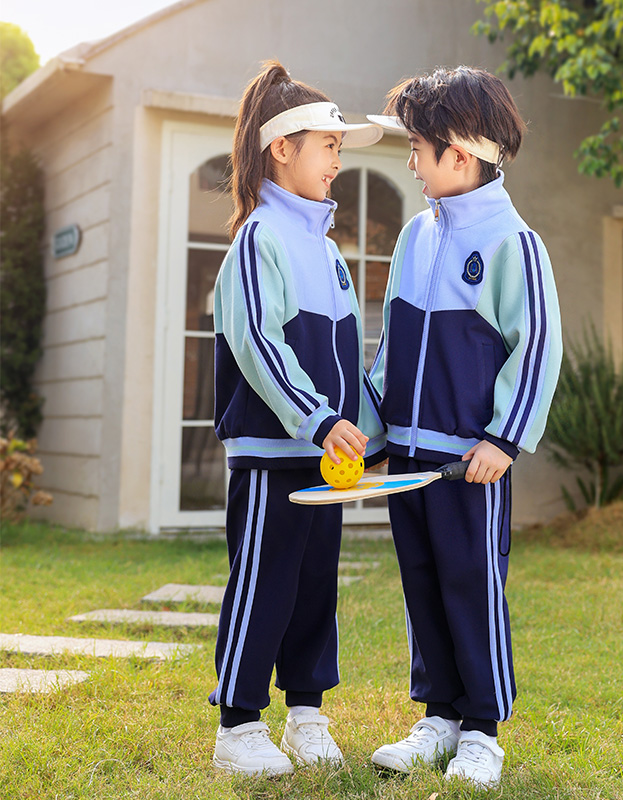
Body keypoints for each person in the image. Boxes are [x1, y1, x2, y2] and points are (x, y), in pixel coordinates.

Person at [366, 66, 563, 788]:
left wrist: (503, 439)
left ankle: (482, 729)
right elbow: (390, 346)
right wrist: (364, 431)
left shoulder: (516, 245)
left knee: (470, 585)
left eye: (418, 148)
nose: (412, 164)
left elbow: (537, 346)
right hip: (409, 461)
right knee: (422, 583)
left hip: (468, 465)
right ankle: (438, 716)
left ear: (459, 154)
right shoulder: (416, 238)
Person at [209, 60, 385, 777]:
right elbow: (259, 343)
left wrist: (367, 435)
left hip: (322, 459)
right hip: (270, 452)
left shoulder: (327, 250)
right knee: (264, 581)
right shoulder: (260, 240)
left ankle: (306, 715)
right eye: (329, 147)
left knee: (315, 584)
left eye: (341, 149)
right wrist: (315, 419)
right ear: (282, 148)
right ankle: (238, 725)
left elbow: (349, 357)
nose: (338, 163)